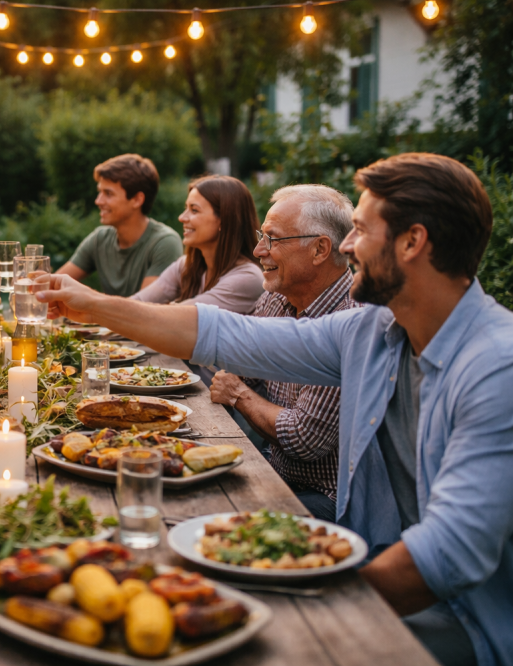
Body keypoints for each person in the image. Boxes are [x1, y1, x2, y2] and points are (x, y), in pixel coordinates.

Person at [36, 153, 512, 666]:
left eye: (360, 231)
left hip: (468, 622)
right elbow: (231, 334)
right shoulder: (376, 331)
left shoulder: (495, 367)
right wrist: (94, 305)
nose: (348, 246)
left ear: (412, 242)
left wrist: (308, 605)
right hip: (373, 560)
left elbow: (448, 557)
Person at [207, 184, 358, 522]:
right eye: (263, 237)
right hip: (276, 472)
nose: (260, 249)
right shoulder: (279, 295)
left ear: (320, 250)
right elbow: (241, 364)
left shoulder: (352, 317)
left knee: (208, 514)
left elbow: (305, 438)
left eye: (272, 239)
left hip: (327, 499)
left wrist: (238, 395)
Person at [130, 175, 264, 314]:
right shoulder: (186, 266)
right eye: (186, 208)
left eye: (194, 210)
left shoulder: (247, 278)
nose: (182, 218)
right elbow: (136, 303)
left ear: (224, 220)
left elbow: (176, 318)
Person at [57, 153, 182, 297]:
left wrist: (86, 297)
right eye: (100, 192)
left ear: (136, 199)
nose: (98, 201)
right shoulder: (100, 239)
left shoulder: (165, 243)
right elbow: (55, 285)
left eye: (108, 194)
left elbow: (143, 310)